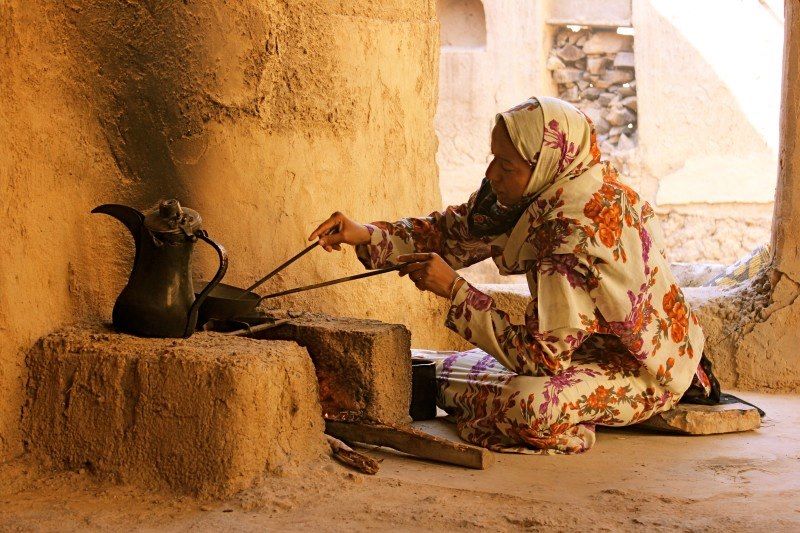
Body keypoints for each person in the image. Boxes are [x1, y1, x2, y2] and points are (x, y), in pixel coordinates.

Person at [309, 96, 712, 454]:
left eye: (506, 165)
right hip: (586, 346)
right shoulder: (546, 189)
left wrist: (454, 290)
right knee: (443, 373)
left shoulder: (569, 234)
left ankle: (576, 424)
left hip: (643, 368)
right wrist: (362, 233)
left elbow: (541, 360)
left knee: (528, 405)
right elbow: (453, 231)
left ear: (544, 165)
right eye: (493, 158)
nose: (492, 174)